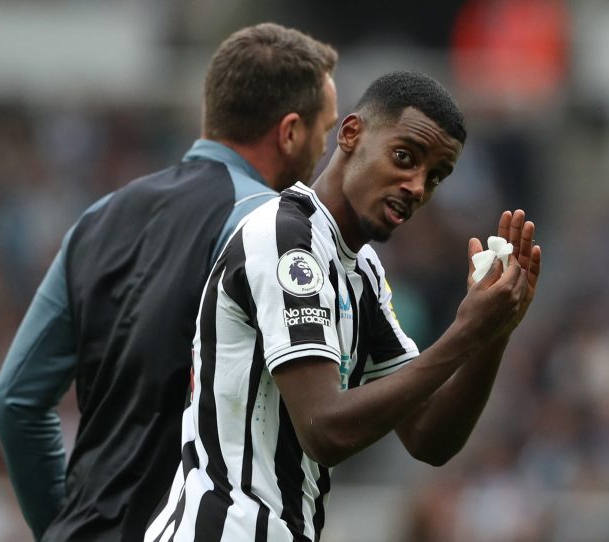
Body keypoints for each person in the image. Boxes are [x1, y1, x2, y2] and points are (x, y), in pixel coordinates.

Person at [145, 70, 541, 542]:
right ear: (350, 134)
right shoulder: (285, 238)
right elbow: (324, 429)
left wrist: (494, 335)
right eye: (404, 157)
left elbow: (429, 438)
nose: (417, 186)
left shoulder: (363, 270)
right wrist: (465, 333)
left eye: (435, 175)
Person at [0, 22, 338, 542]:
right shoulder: (271, 227)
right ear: (289, 132)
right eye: (325, 130)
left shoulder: (97, 218)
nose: (325, 150)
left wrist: (63, 525)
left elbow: (16, 399)